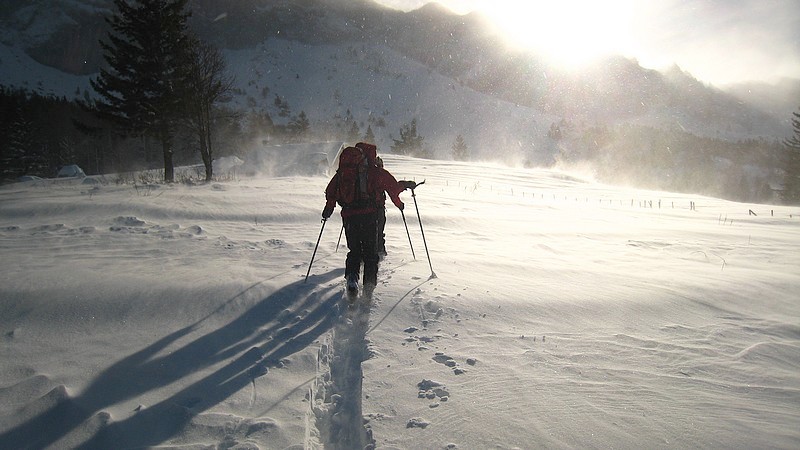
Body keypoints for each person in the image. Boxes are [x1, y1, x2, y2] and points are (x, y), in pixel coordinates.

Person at [322, 142, 412, 295]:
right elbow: (393, 188)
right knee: (370, 253)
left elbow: (331, 191)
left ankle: (352, 278)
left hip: (349, 216)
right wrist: (402, 195)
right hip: (370, 216)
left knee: (354, 250)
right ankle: (369, 286)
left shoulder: (344, 171)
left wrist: (328, 209)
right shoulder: (375, 172)